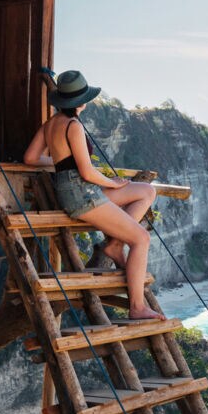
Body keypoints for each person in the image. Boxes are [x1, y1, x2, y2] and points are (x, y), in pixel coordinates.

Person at [22, 70, 163, 321]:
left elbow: (30, 158)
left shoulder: (51, 124)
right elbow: (87, 172)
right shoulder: (74, 126)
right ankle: (137, 307)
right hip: (82, 195)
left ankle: (115, 244)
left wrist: (61, 163)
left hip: (77, 190)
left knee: (146, 191)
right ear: (82, 101)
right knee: (141, 239)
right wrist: (113, 183)